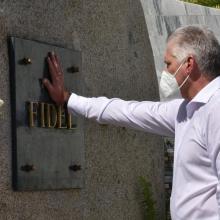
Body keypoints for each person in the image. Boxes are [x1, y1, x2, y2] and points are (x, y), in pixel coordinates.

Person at [43, 25, 220, 220]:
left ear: (188, 64)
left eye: (168, 64)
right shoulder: (185, 110)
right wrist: (68, 99)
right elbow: (127, 112)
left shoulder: (215, 109)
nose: (165, 72)